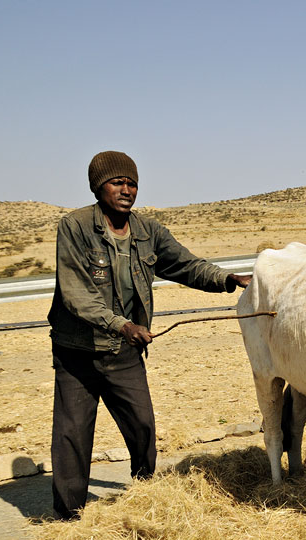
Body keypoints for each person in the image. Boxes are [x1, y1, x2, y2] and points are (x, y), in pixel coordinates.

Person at [47, 151, 251, 520]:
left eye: (132, 183)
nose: (126, 190)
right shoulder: (75, 227)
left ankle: (145, 494)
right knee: (72, 436)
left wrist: (227, 279)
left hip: (123, 351)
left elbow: (186, 265)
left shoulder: (147, 232)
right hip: (77, 351)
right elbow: (76, 294)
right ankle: (68, 518)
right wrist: (122, 324)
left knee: (142, 427)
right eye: (117, 182)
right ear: (98, 187)